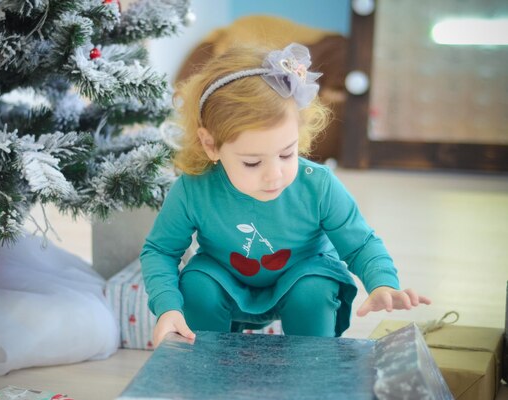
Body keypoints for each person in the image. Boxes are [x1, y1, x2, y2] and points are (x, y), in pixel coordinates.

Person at [140, 43, 430, 347]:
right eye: (252, 162)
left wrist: (382, 283)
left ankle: (309, 370)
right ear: (211, 145)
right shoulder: (194, 188)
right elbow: (161, 250)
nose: (274, 174)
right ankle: (207, 366)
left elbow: (360, 245)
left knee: (312, 293)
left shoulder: (317, 185)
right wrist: (168, 307)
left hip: (301, 277)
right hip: (225, 278)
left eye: (286, 154)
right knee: (198, 286)